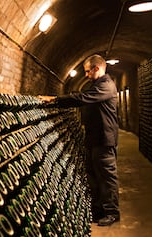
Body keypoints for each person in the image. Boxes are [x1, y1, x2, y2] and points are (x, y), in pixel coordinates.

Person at [38, 54, 120, 226]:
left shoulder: (106, 85)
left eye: (88, 71)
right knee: (93, 177)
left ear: (97, 68)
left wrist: (55, 100)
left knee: (106, 177)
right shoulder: (96, 85)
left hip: (104, 141)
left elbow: (82, 98)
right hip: (93, 139)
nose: (87, 75)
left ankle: (112, 212)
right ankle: (98, 211)